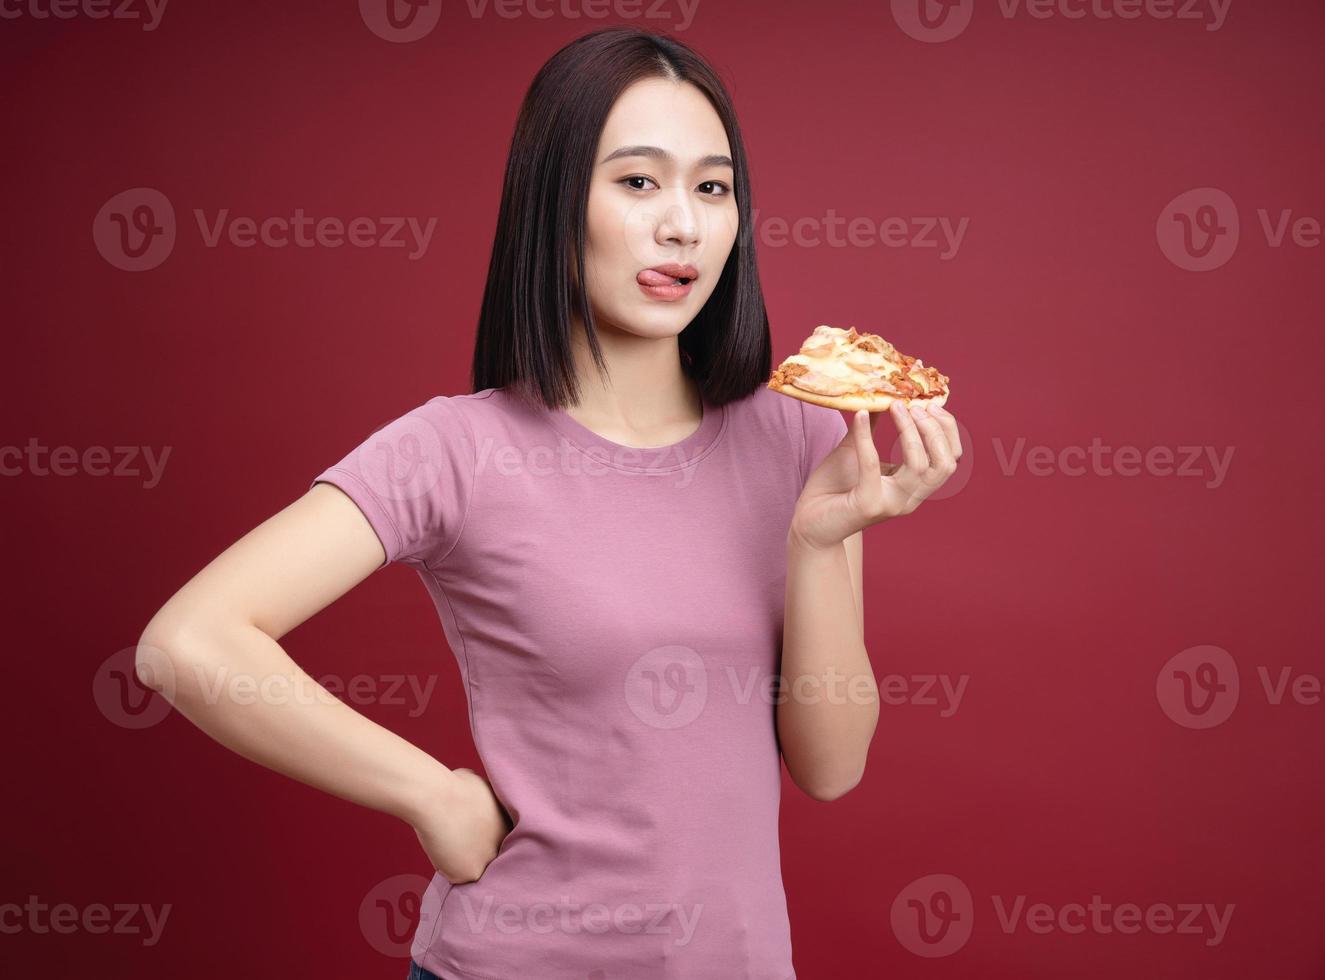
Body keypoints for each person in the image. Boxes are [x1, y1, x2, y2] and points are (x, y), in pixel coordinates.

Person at [137, 26, 962, 980]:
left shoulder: (802, 438)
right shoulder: (454, 450)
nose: (683, 226)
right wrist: (430, 794)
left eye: (712, 187)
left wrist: (820, 542)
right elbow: (187, 643)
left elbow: (830, 769)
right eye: (638, 182)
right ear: (553, 202)